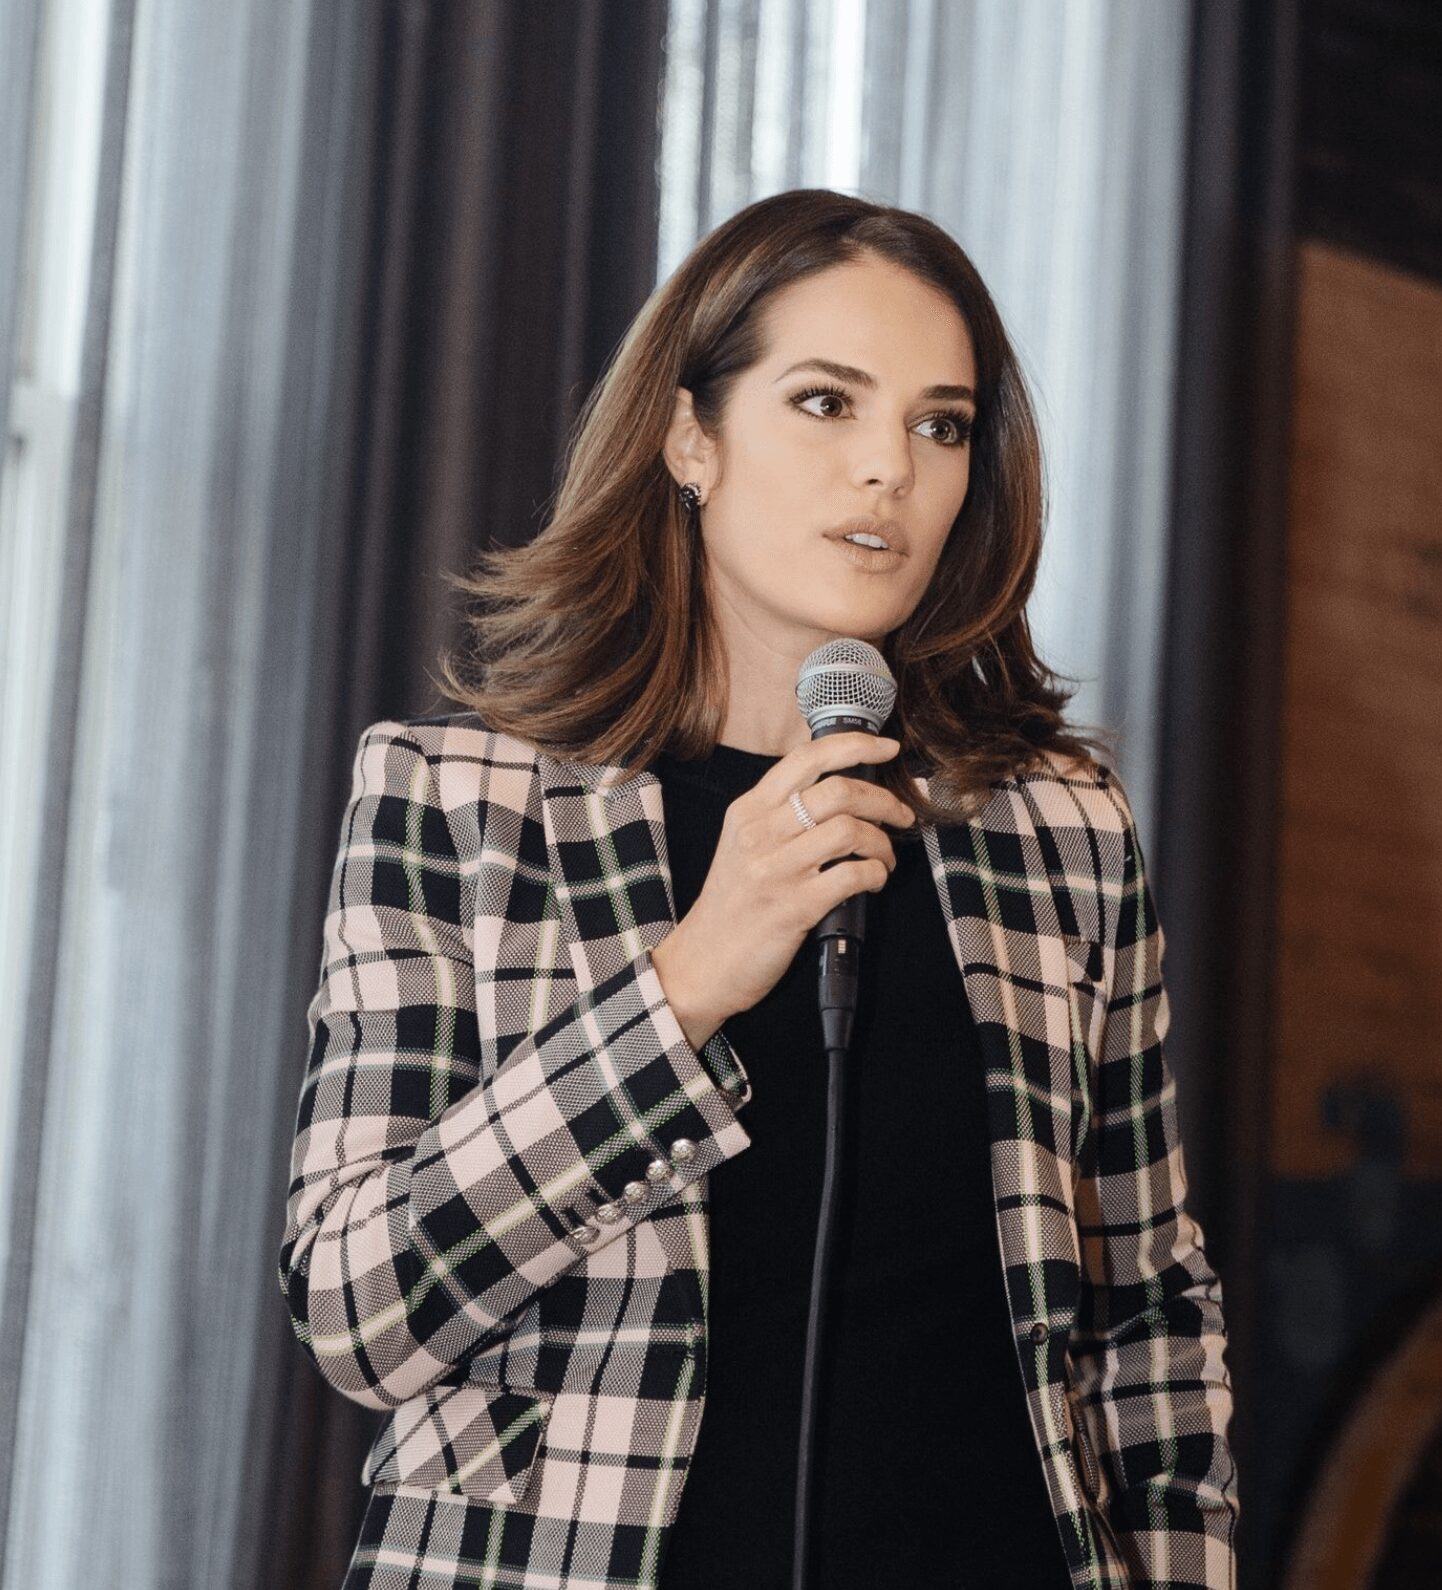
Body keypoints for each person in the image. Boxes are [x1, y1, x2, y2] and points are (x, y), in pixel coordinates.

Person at [277, 188, 1239, 1590]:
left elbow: (1145, 1311)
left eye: (939, 425)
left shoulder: (1059, 828)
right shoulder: (461, 800)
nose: (887, 470)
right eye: (825, 403)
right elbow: (360, 1313)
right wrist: (685, 984)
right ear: (691, 438)